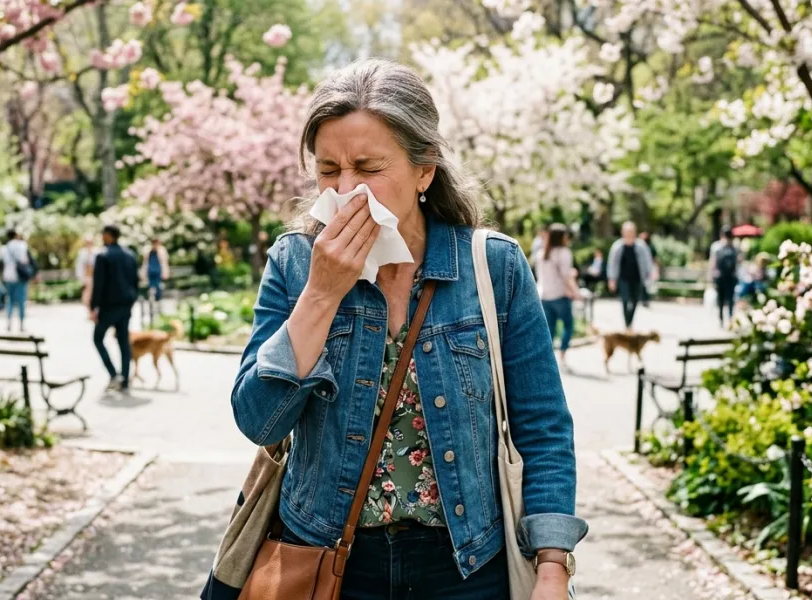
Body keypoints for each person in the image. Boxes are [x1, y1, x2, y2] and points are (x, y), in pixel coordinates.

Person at [230, 59, 585, 599]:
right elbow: (260, 420)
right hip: (326, 561)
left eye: (367, 167)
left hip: (465, 568)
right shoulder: (295, 262)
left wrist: (553, 566)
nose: (346, 190)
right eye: (328, 170)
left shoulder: (494, 266)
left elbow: (543, 427)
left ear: (425, 170)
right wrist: (321, 293)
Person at [90, 224, 139, 393]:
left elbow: (99, 284)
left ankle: (113, 374)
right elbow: (136, 281)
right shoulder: (130, 255)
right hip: (126, 304)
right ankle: (124, 378)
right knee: (123, 341)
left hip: (109, 306)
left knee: (98, 338)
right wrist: (132, 299)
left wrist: (93, 306)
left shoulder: (103, 256)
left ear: (109, 235)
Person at [536, 223, 580, 370]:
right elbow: (566, 276)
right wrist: (576, 292)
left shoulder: (541, 253)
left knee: (550, 329)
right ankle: (563, 355)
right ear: (561, 237)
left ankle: (549, 359)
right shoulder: (564, 253)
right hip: (560, 295)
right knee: (568, 325)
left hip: (544, 296)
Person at [607, 221, 654, 330]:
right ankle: (627, 324)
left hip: (637, 278)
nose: (629, 234)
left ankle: (629, 323)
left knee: (634, 301)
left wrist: (649, 275)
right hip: (623, 278)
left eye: (631, 231)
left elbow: (647, 261)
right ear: (623, 232)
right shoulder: (617, 246)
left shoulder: (641, 246)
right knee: (625, 300)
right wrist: (611, 279)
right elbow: (612, 264)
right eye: (627, 231)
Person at [0, 230, 33, 332]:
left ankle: (9, 323)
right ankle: (21, 325)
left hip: (8, 276)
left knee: (9, 300)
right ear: (16, 235)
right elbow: (25, 261)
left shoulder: (4, 248)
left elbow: (2, 263)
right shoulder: (22, 245)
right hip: (19, 276)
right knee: (21, 301)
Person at [711, 228, 740, 326]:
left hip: (727, 276)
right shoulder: (718, 247)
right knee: (722, 298)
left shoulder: (733, 247)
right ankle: (723, 318)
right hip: (723, 276)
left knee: (728, 298)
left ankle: (729, 318)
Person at [74, 235, 98, 308]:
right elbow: (79, 266)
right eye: (87, 242)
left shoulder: (97, 252)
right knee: (86, 297)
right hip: (86, 277)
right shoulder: (82, 252)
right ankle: (89, 310)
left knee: (94, 295)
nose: (89, 244)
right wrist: (81, 278)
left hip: (94, 277)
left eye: (90, 242)